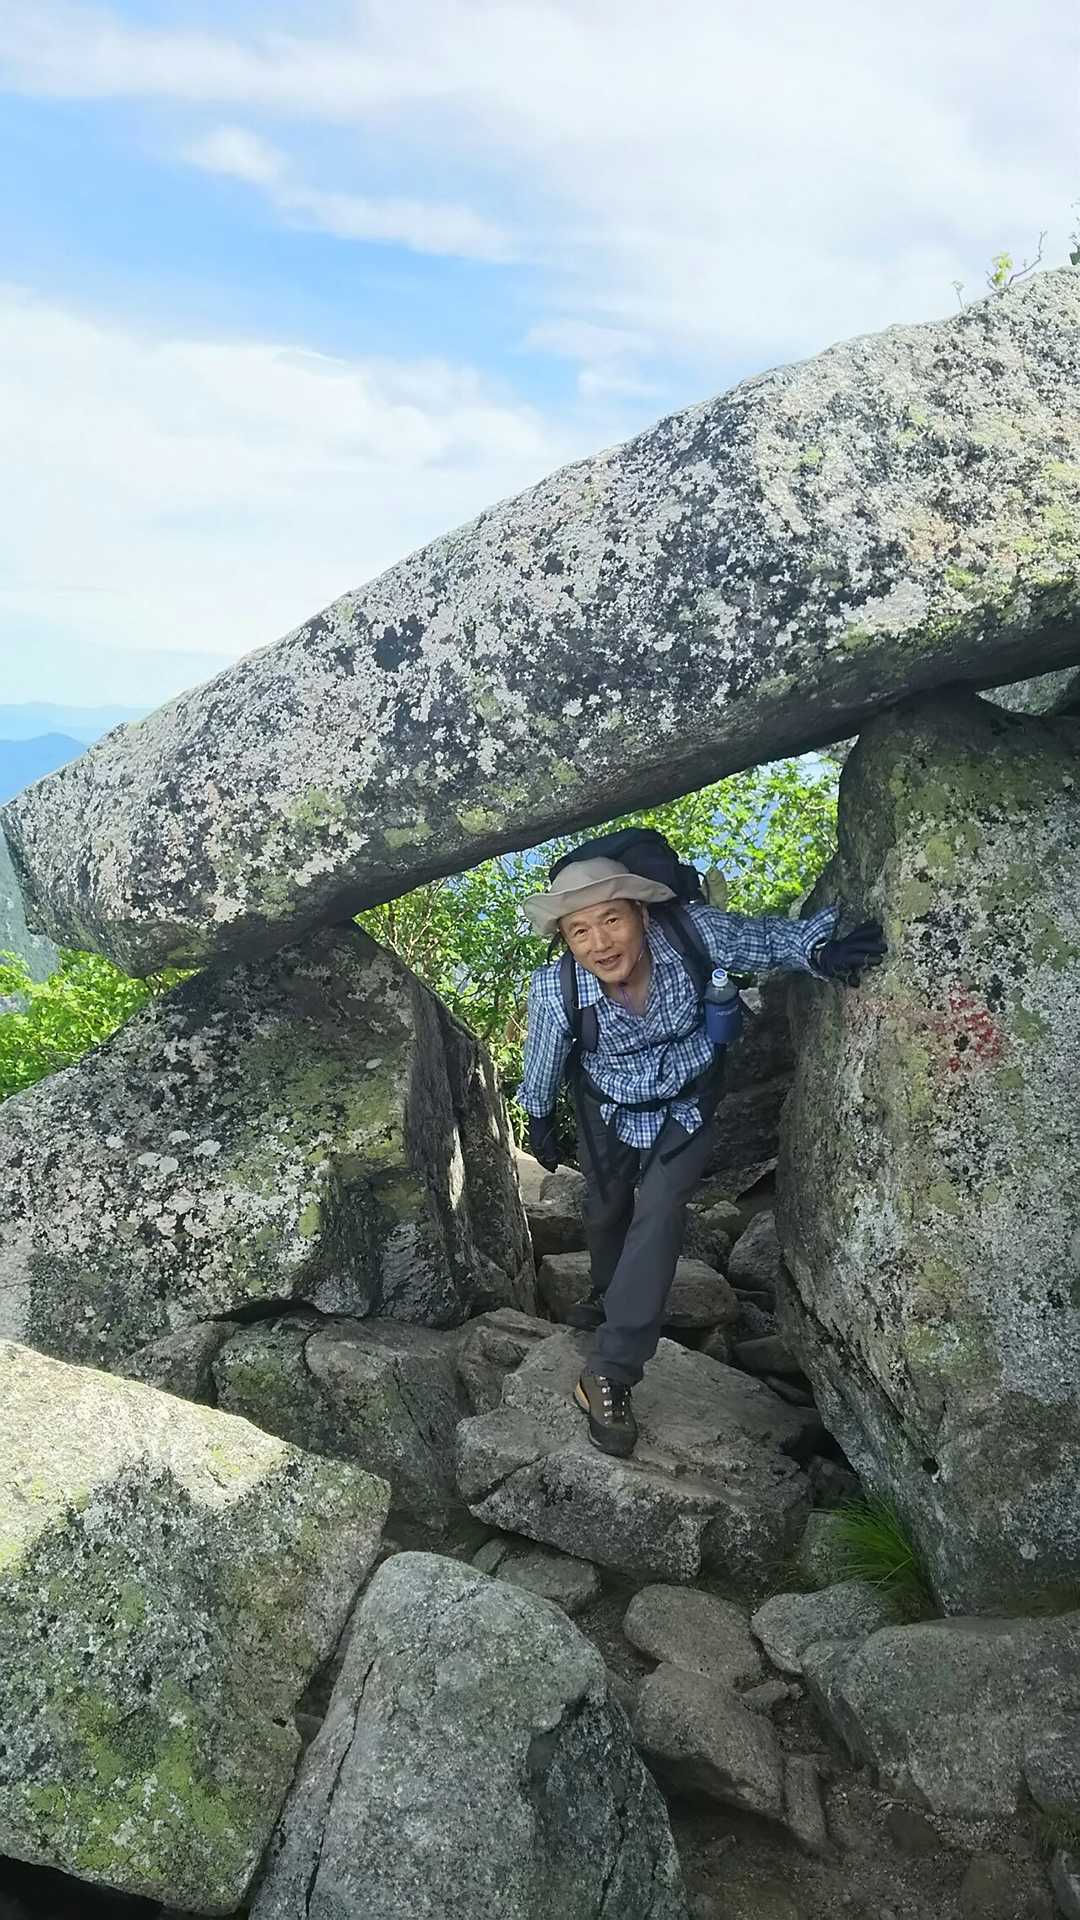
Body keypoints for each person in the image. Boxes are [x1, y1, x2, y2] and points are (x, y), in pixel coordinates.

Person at [518, 854, 885, 1457]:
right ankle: (610, 1293)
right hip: (607, 1105)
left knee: (659, 1212)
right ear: (565, 939)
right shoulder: (556, 989)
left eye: (611, 920)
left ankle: (610, 1369)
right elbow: (544, 1058)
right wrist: (537, 1116)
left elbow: (767, 941)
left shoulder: (694, 934)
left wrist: (821, 953)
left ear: (641, 914)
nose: (599, 943)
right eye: (579, 931)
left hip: (686, 1104)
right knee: (606, 1210)